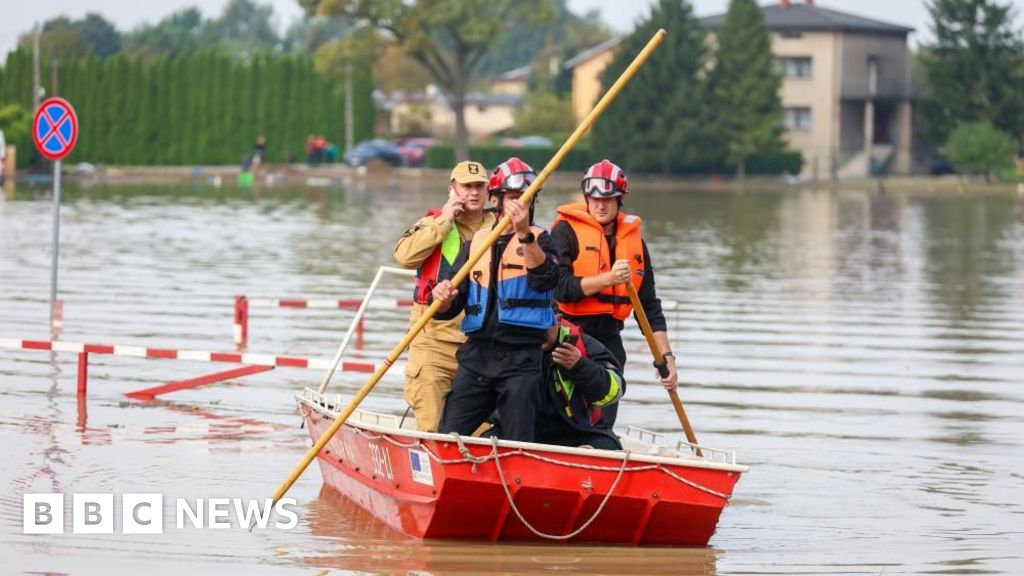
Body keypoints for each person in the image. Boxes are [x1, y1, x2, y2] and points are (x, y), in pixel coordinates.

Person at [431, 157, 559, 442]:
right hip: (477, 356)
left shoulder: (542, 240)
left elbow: (546, 280)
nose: (519, 206)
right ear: (497, 199)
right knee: (449, 437)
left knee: (518, 441)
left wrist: (524, 233)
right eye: (513, 198)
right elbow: (449, 307)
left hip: (521, 359)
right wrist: (441, 297)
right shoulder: (475, 243)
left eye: (525, 199)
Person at [551, 159, 677, 429]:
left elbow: (649, 308)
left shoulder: (635, 244)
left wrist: (666, 358)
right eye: (594, 198)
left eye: (608, 199)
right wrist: (608, 278)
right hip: (569, 337)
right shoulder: (564, 232)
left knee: (601, 422)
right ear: (586, 198)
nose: (600, 205)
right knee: (564, 418)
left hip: (609, 342)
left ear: (620, 200)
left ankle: (601, 449)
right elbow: (560, 288)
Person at [393, 160, 495, 432]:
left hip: (480, 346)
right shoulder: (434, 222)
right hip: (434, 343)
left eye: (479, 186)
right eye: (466, 186)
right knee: (430, 424)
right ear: (453, 189)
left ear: (488, 190)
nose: (473, 193)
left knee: (483, 432)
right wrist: (444, 221)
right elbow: (404, 256)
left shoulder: (501, 224)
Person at [535, 314, 624, 449]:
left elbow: (616, 390)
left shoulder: (583, 344)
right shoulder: (506, 344)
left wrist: (580, 366)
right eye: (532, 325)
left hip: (577, 431)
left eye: (546, 324)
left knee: (608, 446)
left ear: (558, 321)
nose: (539, 331)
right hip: (523, 431)